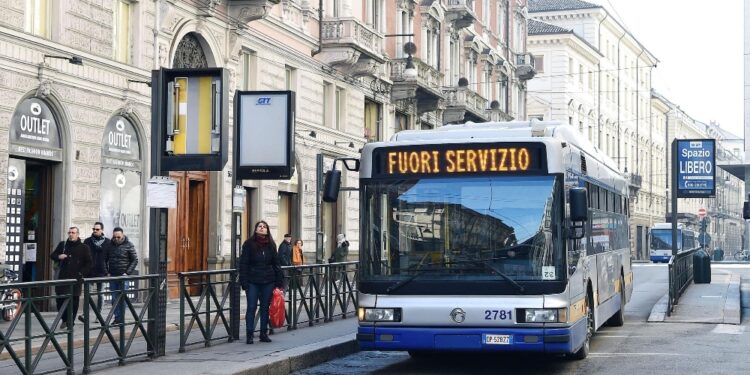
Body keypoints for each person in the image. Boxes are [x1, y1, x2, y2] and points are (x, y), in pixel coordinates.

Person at [238, 220, 284, 344]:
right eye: (260, 226)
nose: (262, 228)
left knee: (265, 308)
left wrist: (279, 282)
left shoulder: (271, 245)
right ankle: (249, 334)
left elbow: (276, 264)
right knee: (251, 307)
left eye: (264, 227)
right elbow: (243, 264)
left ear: (267, 230)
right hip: (252, 281)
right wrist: (244, 281)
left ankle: (263, 333)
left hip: (268, 281)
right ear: (256, 229)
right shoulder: (248, 244)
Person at [50, 226, 91, 329]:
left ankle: (70, 322)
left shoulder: (84, 247)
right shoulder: (63, 245)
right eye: (69, 232)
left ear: (78, 234)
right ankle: (64, 319)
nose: (71, 234)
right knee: (60, 300)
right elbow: (52, 255)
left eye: (73, 232)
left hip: (76, 279)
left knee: (74, 301)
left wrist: (81, 273)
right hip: (62, 277)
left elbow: (89, 263)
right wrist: (59, 256)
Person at [105, 227, 138, 324]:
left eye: (118, 237)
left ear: (122, 235)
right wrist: (107, 272)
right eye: (114, 237)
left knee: (122, 297)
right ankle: (117, 318)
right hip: (113, 275)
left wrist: (127, 273)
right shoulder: (109, 245)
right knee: (114, 297)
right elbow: (104, 259)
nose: (116, 239)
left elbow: (135, 260)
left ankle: (121, 318)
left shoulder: (129, 245)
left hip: (124, 276)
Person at [80, 222, 111, 323]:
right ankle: (85, 315)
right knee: (87, 294)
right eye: (93, 229)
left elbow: (109, 258)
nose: (94, 231)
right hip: (89, 272)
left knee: (100, 294)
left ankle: (99, 315)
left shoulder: (107, 242)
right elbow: (83, 257)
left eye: (97, 229)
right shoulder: (87, 241)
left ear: (102, 230)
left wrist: (108, 271)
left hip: (102, 272)